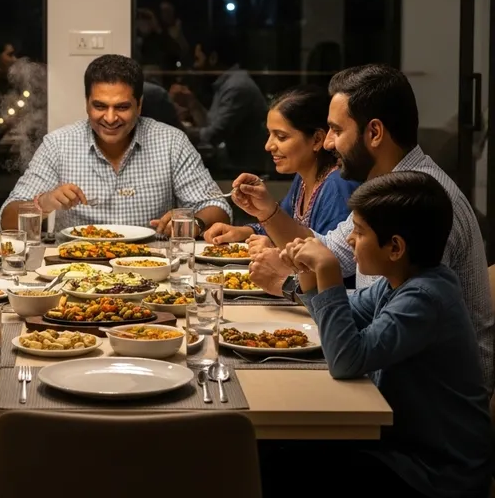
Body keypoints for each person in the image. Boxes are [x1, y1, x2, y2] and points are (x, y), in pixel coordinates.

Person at [233, 64, 494, 392]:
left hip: (429, 396)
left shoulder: (422, 205)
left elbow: (392, 322)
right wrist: (269, 216)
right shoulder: (386, 190)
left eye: (336, 130)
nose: (327, 143)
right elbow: (330, 251)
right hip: (386, 368)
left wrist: (289, 282)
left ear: (374, 132)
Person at [266, 171, 492, 498]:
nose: (348, 241)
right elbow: (340, 316)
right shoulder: (399, 282)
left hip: (434, 471)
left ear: (395, 247)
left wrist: (328, 271)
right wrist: (309, 275)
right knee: (281, 450)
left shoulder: (424, 299)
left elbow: (346, 360)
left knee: (278, 461)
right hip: (404, 446)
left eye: (358, 231)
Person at [0, 54, 231, 235]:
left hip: (152, 266)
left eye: (122, 107)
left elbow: (218, 208)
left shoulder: (171, 143)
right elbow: (7, 220)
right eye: (100, 106)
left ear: (139, 105)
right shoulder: (58, 145)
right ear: (87, 104)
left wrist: (195, 223)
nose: (110, 118)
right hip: (73, 267)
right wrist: (44, 203)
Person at [204, 85, 360, 243]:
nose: (268, 146)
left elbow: (330, 259)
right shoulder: (302, 179)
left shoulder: (337, 187)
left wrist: (273, 248)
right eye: (269, 134)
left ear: (317, 139)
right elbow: (283, 225)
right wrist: (243, 231)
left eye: (281, 137)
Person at [169, 33, 268, 174]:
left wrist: (176, 132)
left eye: (198, 59)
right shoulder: (227, 83)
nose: (196, 65)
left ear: (213, 58)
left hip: (245, 167)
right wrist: (192, 102)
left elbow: (214, 134)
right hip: (236, 163)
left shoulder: (237, 86)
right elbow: (210, 124)